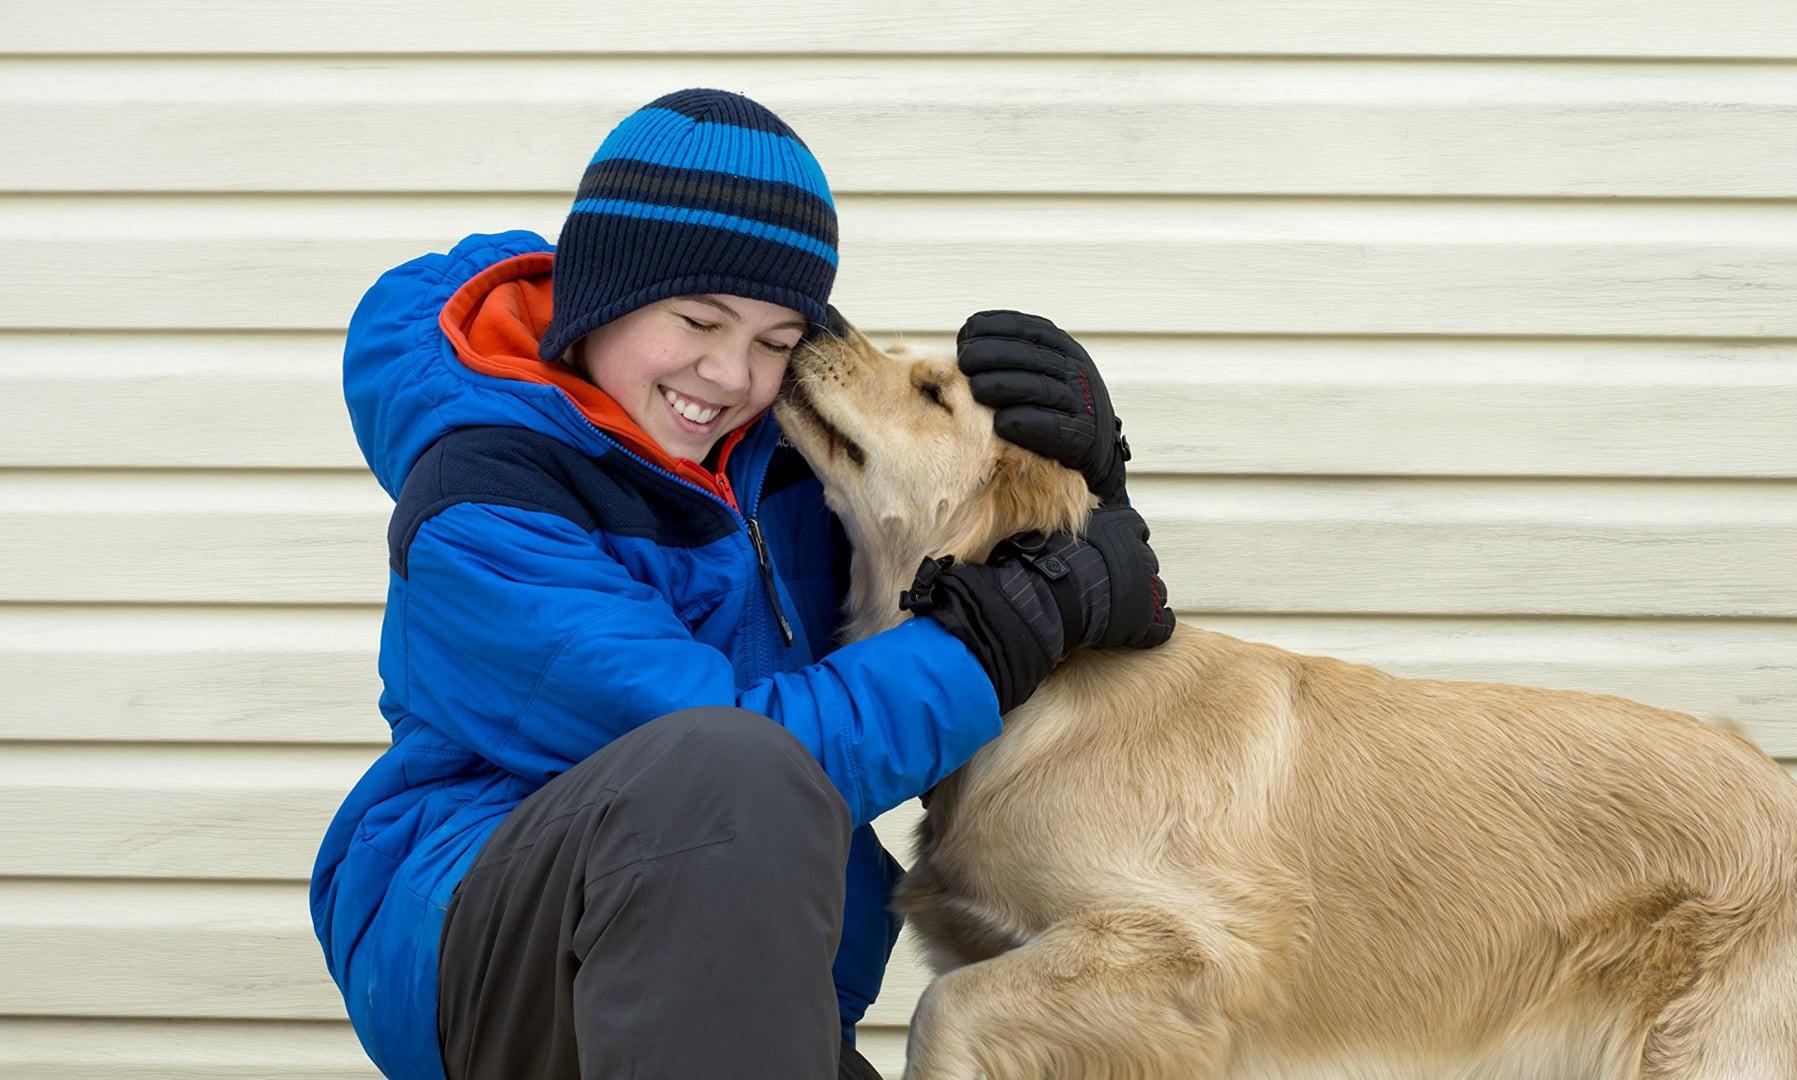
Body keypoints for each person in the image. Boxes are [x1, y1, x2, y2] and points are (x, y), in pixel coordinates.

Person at [308, 87, 1174, 1080]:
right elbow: (731, 740)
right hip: (486, 937)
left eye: (774, 342)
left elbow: (937, 559)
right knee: (728, 760)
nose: (729, 376)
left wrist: (1075, 499)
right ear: (602, 296)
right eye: (698, 320)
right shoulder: (489, 498)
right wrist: (996, 637)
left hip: (737, 963)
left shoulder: (770, 454)